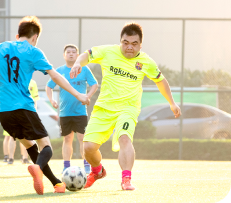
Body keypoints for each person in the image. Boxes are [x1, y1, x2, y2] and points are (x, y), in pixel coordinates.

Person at [0, 16, 90, 195]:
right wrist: (79, 94)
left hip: (3, 111)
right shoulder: (34, 52)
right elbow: (55, 76)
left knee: (29, 146)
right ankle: (38, 168)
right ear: (34, 37)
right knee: (46, 146)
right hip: (24, 107)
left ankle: (56, 183)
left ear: (18, 35)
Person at [70, 22, 181, 190]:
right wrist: (78, 62)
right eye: (126, 42)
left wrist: (172, 103)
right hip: (104, 108)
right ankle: (97, 171)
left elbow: (161, 81)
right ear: (120, 41)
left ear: (140, 44)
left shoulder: (146, 61)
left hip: (128, 108)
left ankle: (126, 179)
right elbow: (88, 54)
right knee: (88, 148)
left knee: (124, 138)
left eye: (134, 44)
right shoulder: (108, 51)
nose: (129, 47)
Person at [46, 44, 98, 174]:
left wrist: (88, 96)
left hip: (80, 112)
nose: (71, 54)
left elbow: (94, 84)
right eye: (68, 52)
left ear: (78, 55)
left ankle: (86, 165)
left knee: (82, 139)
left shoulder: (84, 69)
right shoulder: (59, 71)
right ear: (64, 55)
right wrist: (52, 99)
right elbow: (49, 86)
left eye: (74, 52)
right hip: (65, 112)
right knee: (67, 139)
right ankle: (66, 166)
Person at [3, 79, 39, 164]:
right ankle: (10, 158)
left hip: (27, 113)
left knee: (26, 136)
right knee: (12, 136)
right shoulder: (13, 80)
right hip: (14, 112)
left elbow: (34, 100)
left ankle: (25, 158)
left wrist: (34, 112)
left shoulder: (33, 83)